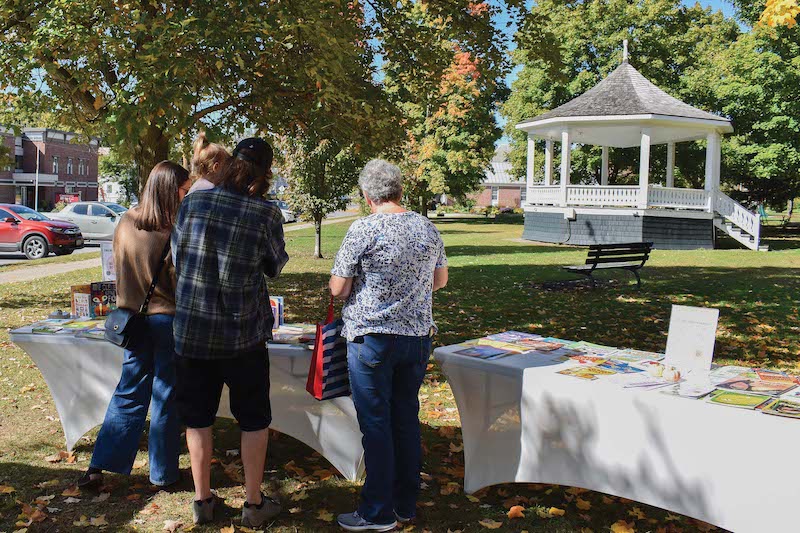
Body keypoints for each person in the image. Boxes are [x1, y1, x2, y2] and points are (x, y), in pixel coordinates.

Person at [172, 137, 288, 527]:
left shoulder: (193, 203)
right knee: (253, 419)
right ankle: (253, 504)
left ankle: (202, 501)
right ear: (265, 174)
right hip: (243, 335)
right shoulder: (265, 213)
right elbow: (275, 265)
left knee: (197, 418)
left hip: (193, 330)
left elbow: (177, 256)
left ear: (231, 164)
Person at [329, 159, 448, 532]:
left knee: (376, 424)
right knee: (405, 419)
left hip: (372, 340)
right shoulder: (427, 227)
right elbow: (440, 280)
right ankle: (404, 504)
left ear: (367, 196)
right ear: (400, 190)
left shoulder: (364, 228)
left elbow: (338, 288)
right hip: (415, 339)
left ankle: (377, 512)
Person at [78, 161, 191, 490]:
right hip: (166, 319)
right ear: (171, 189)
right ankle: (163, 473)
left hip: (131, 320)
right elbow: (181, 281)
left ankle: (99, 465)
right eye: (184, 190)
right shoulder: (174, 229)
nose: (186, 196)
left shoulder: (125, 221)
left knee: (128, 392)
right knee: (165, 396)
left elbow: (117, 266)